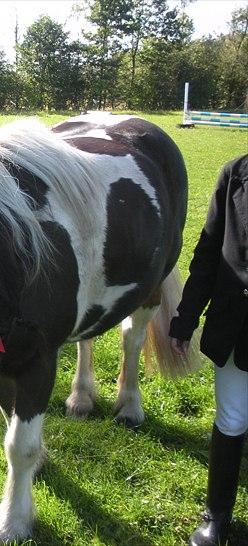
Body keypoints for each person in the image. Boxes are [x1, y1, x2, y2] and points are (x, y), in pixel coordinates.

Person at [169, 153, 248, 546]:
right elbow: (209, 250)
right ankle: (217, 515)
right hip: (236, 325)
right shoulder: (234, 173)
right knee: (231, 417)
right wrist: (186, 317)